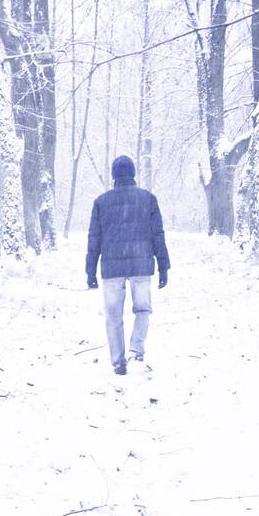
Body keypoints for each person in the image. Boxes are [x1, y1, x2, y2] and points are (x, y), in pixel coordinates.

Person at [85, 155, 170, 375]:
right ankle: (136, 350)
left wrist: (90, 270)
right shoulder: (148, 199)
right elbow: (158, 234)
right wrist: (163, 266)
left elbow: (94, 238)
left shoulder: (101, 202)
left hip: (112, 269)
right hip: (141, 265)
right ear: (133, 174)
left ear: (114, 176)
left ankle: (118, 361)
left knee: (113, 316)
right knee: (143, 309)